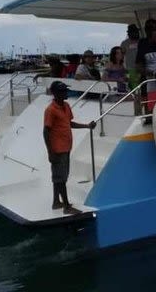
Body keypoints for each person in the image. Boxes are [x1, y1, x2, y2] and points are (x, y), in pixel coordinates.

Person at [43, 81, 95, 214]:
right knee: (60, 178)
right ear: (56, 93)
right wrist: (50, 152)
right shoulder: (51, 110)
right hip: (57, 149)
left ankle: (56, 202)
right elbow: (46, 131)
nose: (66, 93)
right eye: (63, 91)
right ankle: (66, 206)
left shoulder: (66, 106)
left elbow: (69, 123)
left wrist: (86, 126)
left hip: (66, 147)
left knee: (59, 176)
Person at [121, 24, 141, 89]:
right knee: (134, 88)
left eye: (135, 31)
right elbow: (121, 56)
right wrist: (123, 69)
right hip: (130, 69)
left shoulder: (142, 41)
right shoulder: (124, 43)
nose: (134, 33)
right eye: (131, 32)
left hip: (142, 68)